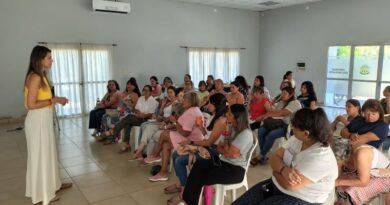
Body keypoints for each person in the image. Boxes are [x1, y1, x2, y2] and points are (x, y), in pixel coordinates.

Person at [233, 108, 338, 205]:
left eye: (294, 127)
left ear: (306, 133)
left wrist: (275, 172)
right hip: (276, 185)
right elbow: (274, 157)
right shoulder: (297, 139)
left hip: (301, 198)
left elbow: (290, 186)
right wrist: (283, 170)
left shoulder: (320, 157)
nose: (291, 129)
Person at [24, 45, 72, 205]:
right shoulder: (35, 77)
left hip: (43, 120)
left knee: (49, 154)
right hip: (37, 121)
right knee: (40, 156)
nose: (52, 60)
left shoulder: (41, 75)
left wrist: (56, 99)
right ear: (39, 59)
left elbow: (43, 98)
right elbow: (31, 104)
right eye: (49, 58)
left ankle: (53, 185)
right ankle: (41, 194)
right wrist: (54, 100)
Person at [182, 104, 254, 205]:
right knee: (198, 165)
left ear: (236, 117)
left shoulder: (245, 134)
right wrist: (225, 148)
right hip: (224, 162)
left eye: (229, 114)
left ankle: (192, 202)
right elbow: (223, 148)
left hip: (235, 170)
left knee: (202, 177)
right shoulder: (233, 127)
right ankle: (186, 200)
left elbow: (229, 153)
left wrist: (224, 149)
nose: (226, 115)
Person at [165, 93, 228, 204]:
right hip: (205, 146)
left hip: (212, 153)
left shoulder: (221, 120)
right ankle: (182, 185)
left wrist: (191, 142)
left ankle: (183, 193)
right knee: (175, 154)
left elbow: (209, 143)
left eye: (210, 103)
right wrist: (201, 128)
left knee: (179, 160)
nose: (207, 105)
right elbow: (207, 134)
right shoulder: (214, 116)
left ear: (216, 105)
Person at [145, 92, 204, 182]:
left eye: (185, 100)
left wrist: (175, 122)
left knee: (164, 134)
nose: (182, 101)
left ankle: (156, 155)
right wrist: (175, 122)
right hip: (190, 137)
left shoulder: (191, 113)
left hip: (191, 140)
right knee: (165, 144)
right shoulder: (193, 110)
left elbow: (185, 133)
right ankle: (163, 173)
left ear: (190, 102)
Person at [251, 86, 302, 165]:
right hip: (278, 123)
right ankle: (263, 155)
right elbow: (274, 113)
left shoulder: (295, 103)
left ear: (291, 95)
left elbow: (282, 113)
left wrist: (266, 115)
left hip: (289, 126)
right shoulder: (281, 102)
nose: (282, 95)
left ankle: (261, 155)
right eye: (282, 93)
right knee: (261, 130)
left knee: (272, 134)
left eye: (285, 93)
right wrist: (268, 113)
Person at [101, 85, 159, 153]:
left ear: (150, 92)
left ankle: (113, 131)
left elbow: (151, 114)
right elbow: (135, 109)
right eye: (144, 90)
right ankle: (126, 145)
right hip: (137, 117)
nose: (145, 92)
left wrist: (143, 115)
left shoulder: (153, 101)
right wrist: (138, 113)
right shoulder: (141, 98)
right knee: (127, 122)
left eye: (147, 90)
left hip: (145, 120)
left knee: (128, 118)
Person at [128, 86, 177, 160]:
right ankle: (139, 152)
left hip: (168, 124)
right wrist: (163, 105)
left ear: (175, 94)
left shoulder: (176, 104)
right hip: (161, 122)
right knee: (148, 128)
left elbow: (172, 118)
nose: (169, 94)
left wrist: (163, 120)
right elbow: (160, 114)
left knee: (152, 131)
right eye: (168, 92)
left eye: (171, 92)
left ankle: (150, 155)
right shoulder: (168, 102)